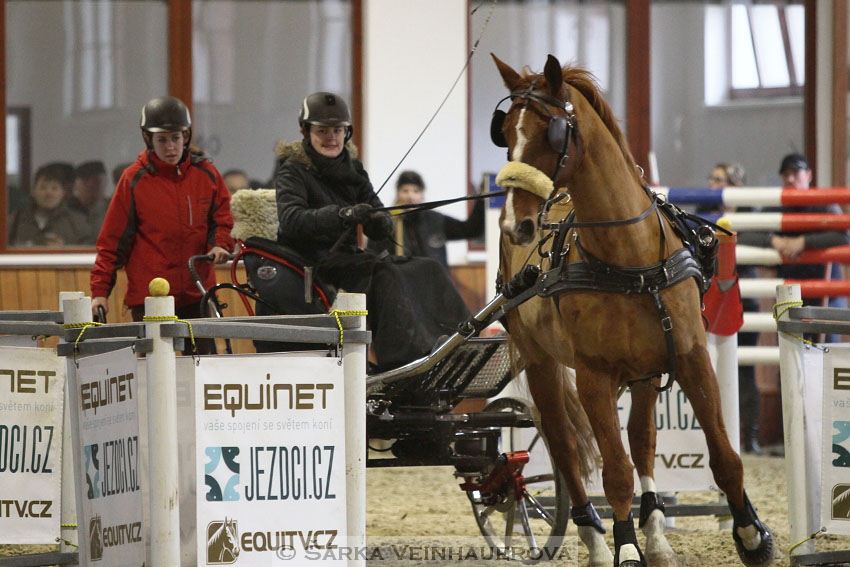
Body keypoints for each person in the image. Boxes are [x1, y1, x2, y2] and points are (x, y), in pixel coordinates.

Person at [273, 91, 471, 370]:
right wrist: (343, 214)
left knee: (428, 268)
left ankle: (458, 344)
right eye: (322, 131)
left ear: (347, 132)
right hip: (311, 262)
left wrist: (379, 222)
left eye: (338, 130)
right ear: (306, 131)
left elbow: (379, 216)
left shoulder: (354, 170)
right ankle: (405, 361)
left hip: (349, 259)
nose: (331, 137)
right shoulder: (292, 171)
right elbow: (293, 220)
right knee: (386, 274)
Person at [90, 96, 233, 353]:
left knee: (204, 369)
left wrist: (219, 244)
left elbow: (223, 219)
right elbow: (111, 242)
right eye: (162, 140)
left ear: (186, 137)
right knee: (150, 374)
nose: (170, 147)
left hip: (197, 292)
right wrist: (100, 292)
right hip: (150, 299)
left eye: (176, 138)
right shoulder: (133, 179)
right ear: (148, 140)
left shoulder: (207, 174)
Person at [702, 162, 762, 454]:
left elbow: (758, 244)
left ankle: (749, 438)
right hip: (709, 297)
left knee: (746, 370)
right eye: (712, 179)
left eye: (719, 180)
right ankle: (714, 437)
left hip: (743, 297)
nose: (712, 184)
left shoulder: (750, 215)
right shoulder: (704, 210)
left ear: (736, 186)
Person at [368, 170, 484, 269]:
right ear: (398, 193)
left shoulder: (435, 220)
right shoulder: (387, 222)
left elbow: (470, 230)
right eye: (405, 190)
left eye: (415, 191)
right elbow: (375, 258)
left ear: (422, 195)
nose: (410, 196)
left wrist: (481, 201)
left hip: (434, 286)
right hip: (401, 287)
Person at [8, 163, 91, 246]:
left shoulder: (78, 222)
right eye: (43, 187)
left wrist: (64, 249)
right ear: (33, 191)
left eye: (54, 188)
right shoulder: (16, 219)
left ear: (63, 193)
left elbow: (89, 253)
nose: (49, 193)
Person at [68, 160, 110, 239]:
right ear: (75, 183)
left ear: (105, 182)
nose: (91, 185)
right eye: (85, 180)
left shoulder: (116, 209)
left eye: (97, 181)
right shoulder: (64, 210)